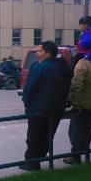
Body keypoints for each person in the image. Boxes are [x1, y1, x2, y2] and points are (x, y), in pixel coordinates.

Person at [20, 41, 71, 171]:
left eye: (40, 51)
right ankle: (39, 159)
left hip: (39, 110)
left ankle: (32, 163)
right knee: (47, 137)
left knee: (34, 138)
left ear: (48, 53)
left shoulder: (38, 67)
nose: (37, 54)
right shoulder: (62, 67)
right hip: (56, 109)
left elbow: (29, 89)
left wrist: (27, 103)